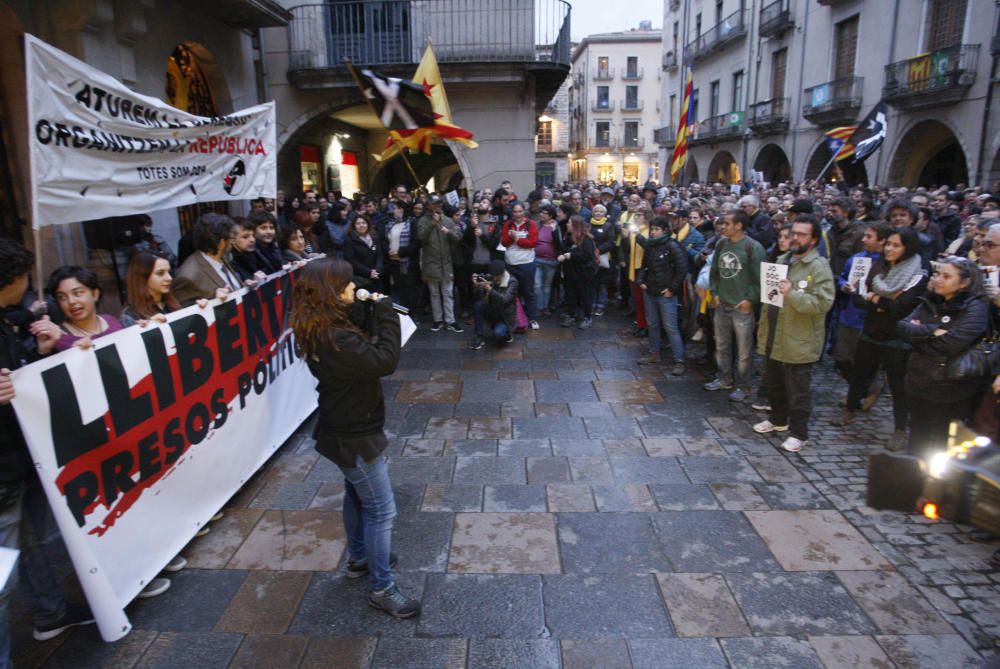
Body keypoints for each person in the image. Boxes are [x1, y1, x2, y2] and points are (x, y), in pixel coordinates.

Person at [289, 258, 419, 618]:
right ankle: (382, 587)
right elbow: (384, 360)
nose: (353, 287)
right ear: (332, 291)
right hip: (354, 434)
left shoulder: (326, 325)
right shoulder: (335, 338)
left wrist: (367, 307)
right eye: (347, 284)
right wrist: (388, 314)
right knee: (381, 509)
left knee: (356, 493)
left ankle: (360, 556)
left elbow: (357, 330)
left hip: (343, 425)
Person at [0, 240, 96, 661]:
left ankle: (50, 612)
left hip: (20, 460)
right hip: (3, 470)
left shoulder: (9, 322)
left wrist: (32, 353)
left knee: (39, 543)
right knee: (4, 575)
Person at [838, 228, 927, 451]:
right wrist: (880, 300)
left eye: (895, 245)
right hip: (871, 330)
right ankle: (850, 409)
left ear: (908, 248)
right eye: (888, 244)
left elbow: (902, 307)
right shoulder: (878, 267)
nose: (889, 249)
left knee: (898, 385)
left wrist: (876, 299)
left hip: (897, 337)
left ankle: (899, 428)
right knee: (859, 374)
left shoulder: (917, 274)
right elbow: (859, 298)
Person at [753, 215, 835, 453]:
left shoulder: (818, 267)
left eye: (801, 235)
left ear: (813, 240)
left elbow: (822, 304)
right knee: (775, 383)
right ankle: (778, 420)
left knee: (798, 391)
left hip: (798, 339)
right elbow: (769, 299)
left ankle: (799, 433)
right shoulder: (781, 260)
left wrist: (792, 294)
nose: (794, 238)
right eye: (792, 234)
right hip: (774, 333)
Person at [898, 257, 990, 459]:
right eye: (938, 274)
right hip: (918, 379)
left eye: (946, 276)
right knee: (917, 438)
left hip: (948, 386)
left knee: (941, 443)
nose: (938, 279)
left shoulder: (976, 307)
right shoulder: (931, 299)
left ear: (964, 282)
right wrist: (934, 330)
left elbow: (951, 343)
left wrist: (920, 332)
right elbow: (904, 327)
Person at [705, 210, 765, 402]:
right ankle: (724, 378)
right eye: (722, 223)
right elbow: (714, 271)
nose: (723, 227)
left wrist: (750, 300)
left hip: (742, 308)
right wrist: (714, 292)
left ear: (739, 226)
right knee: (721, 345)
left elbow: (760, 279)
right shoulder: (722, 243)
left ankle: (744, 386)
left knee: (744, 351)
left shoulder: (753, 247)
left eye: (727, 224)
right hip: (722, 304)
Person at [636, 216, 689, 375]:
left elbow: (681, 269)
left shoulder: (672, 245)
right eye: (652, 229)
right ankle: (654, 353)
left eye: (656, 229)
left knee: (670, 327)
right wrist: (641, 281)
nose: (653, 232)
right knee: (652, 324)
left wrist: (671, 289)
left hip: (666, 294)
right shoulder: (651, 246)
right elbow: (644, 266)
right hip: (650, 290)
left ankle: (679, 360)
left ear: (664, 230)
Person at [41, 266, 125, 352]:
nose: (71, 301)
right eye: (62, 297)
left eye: (77, 293)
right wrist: (74, 353)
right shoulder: (58, 339)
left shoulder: (112, 321)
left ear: (95, 294)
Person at [172, 213, 241, 306]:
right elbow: (184, 314)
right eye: (231, 239)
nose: (233, 243)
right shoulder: (188, 276)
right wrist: (214, 301)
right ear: (221, 242)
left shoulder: (222, 258)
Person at [417, 196, 463, 333]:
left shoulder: (448, 221)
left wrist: (448, 232)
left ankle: (450, 320)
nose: (438, 206)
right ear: (429, 205)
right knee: (435, 293)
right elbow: (421, 238)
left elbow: (458, 239)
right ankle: (438, 320)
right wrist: (432, 223)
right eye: (434, 204)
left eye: (439, 204)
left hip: (446, 263)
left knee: (448, 293)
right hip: (431, 263)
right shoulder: (423, 221)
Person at [501, 202, 540, 330]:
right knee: (512, 292)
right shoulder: (508, 225)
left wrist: (517, 239)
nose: (517, 214)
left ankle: (532, 318)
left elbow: (532, 243)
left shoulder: (531, 224)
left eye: (520, 211)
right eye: (515, 212)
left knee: (528, 291)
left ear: (524, 211)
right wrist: (512, 238)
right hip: (511, 263)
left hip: (526, 263)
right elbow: (504, 243)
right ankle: (516, 319)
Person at [558, 215, 598, 329]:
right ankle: (571, 315)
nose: (567, 225)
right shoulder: (568, 237)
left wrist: (571, 255)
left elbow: (587, 255)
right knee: (570, 295)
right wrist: (561, 255)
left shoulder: (586, 239)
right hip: (570, 272)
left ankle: (587, 317)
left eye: (569, 223)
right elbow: (563, 249)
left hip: (584, 273)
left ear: (575, 225)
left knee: (585, 296)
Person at [121, 252, 181, 327]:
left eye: (169, 272)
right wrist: (150, 327)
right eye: (160, 273)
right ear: (143, 277)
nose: (169, 278)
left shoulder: (173, 303)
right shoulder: (131, 316)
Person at [471, 259, 519, 349]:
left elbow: (504, 299)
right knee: (478, 305)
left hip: (505, 317)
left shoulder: (512, 281)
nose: (495, 278)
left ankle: (507, 334)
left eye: (497, 276)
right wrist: (477, 286)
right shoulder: (490, 277)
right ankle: (479, 336)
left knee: (498, 334)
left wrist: (490, 289)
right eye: (493, 276)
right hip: (492, 311)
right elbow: (480, 297)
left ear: (503, 273)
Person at [588, 203, 618, 317]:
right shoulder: (588, 224)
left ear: (605, 214)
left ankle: (600, 305)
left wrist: (598, 250)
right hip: (590, 257)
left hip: (604, 257)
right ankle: (591, 304)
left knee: (601, 283)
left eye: (601, 212)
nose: (598, 213)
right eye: (596, 211)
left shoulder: (609, 225)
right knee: (591, 282)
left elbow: (611, 242)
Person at [533, 204, 562, 316]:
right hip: (537, 259)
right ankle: (539, 307)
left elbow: (559, 243)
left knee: (547, 286)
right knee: (537, 284)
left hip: (550, 261)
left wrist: (554, 230)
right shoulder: (536, 225)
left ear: (551, 216)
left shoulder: (556, 227)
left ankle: (545, 307)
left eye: (545, 213)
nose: (541, 214)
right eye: (541, 212)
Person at [344, 214, 384, 291]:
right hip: (360, 278)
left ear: (368, 224)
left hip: (376, 275)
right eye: (358, 223)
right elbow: (351, 260)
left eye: (364, 223)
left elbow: (380, 255)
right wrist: (369, 272)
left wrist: (377, 270)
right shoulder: (349, 239)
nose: (361, 225)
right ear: (354, 226)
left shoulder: (374, 236)